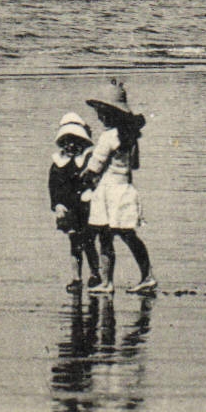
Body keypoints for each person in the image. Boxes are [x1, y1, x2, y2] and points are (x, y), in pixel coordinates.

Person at [82, 81, 154, 295]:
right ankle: (147, 276)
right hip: (125, 190)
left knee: (104, 238)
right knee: (128, 235)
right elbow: (135, 165)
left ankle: (107, 282)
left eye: (101, 112)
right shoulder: (130, 137)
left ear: (109, 114)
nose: (98, 116)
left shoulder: (107, 137)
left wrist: (82, 178)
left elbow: (94, 167)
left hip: (107, 193)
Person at [51, 113, 101, 293]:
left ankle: (95, 274)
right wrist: (57, 204)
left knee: (88, 242)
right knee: (74, 243)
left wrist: (90, 191)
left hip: (86, 207)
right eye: (66, 141)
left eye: (74, 141)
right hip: (69, 209)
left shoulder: (87, 159)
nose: (70, 145)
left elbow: (95, 180)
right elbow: (53, 186)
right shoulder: (59, 162)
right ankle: (76, 278)